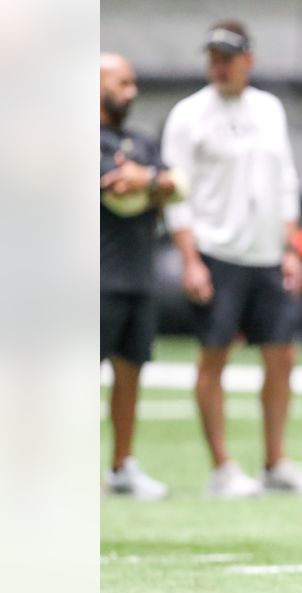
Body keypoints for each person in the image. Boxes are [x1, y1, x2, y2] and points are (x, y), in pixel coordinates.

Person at [161, 20, 302, 498]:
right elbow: (177, 193)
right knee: (214, 357)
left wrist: (289, 249)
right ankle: (222, 467)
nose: (219, 65)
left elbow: (285, 180)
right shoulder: (188, 115)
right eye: (213, 56)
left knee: (282, 356)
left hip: (267, 255)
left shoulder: (269, 109)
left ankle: (275, 463)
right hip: (216, 253)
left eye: (228, 56)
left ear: (248, 60)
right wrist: (190, 259)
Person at [100, 52, 187, 500]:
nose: (130, 92)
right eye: (120, 83)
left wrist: (147, 181)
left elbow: (178, 185)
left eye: (132, 83)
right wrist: (152, 184)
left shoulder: (139, 140)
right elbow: (118, 193)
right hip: (94, 280)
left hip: (138, 277)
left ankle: (122, 465)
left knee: (131, 373)